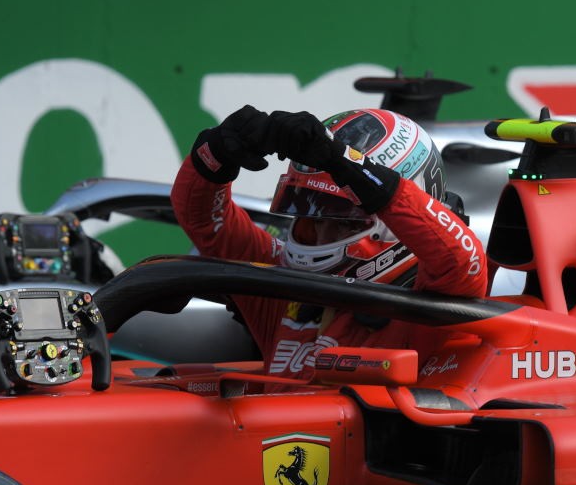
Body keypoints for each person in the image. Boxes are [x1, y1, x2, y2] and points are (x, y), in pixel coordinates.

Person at [171, 106, 487, 386]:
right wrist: (214, 154)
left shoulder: (433, 307)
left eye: (343, 220)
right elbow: (204, 221)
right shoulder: (283, 288)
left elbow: (462, 260)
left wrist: (343, 162)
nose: (321, 234)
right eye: (312, 216)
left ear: (390, 225)